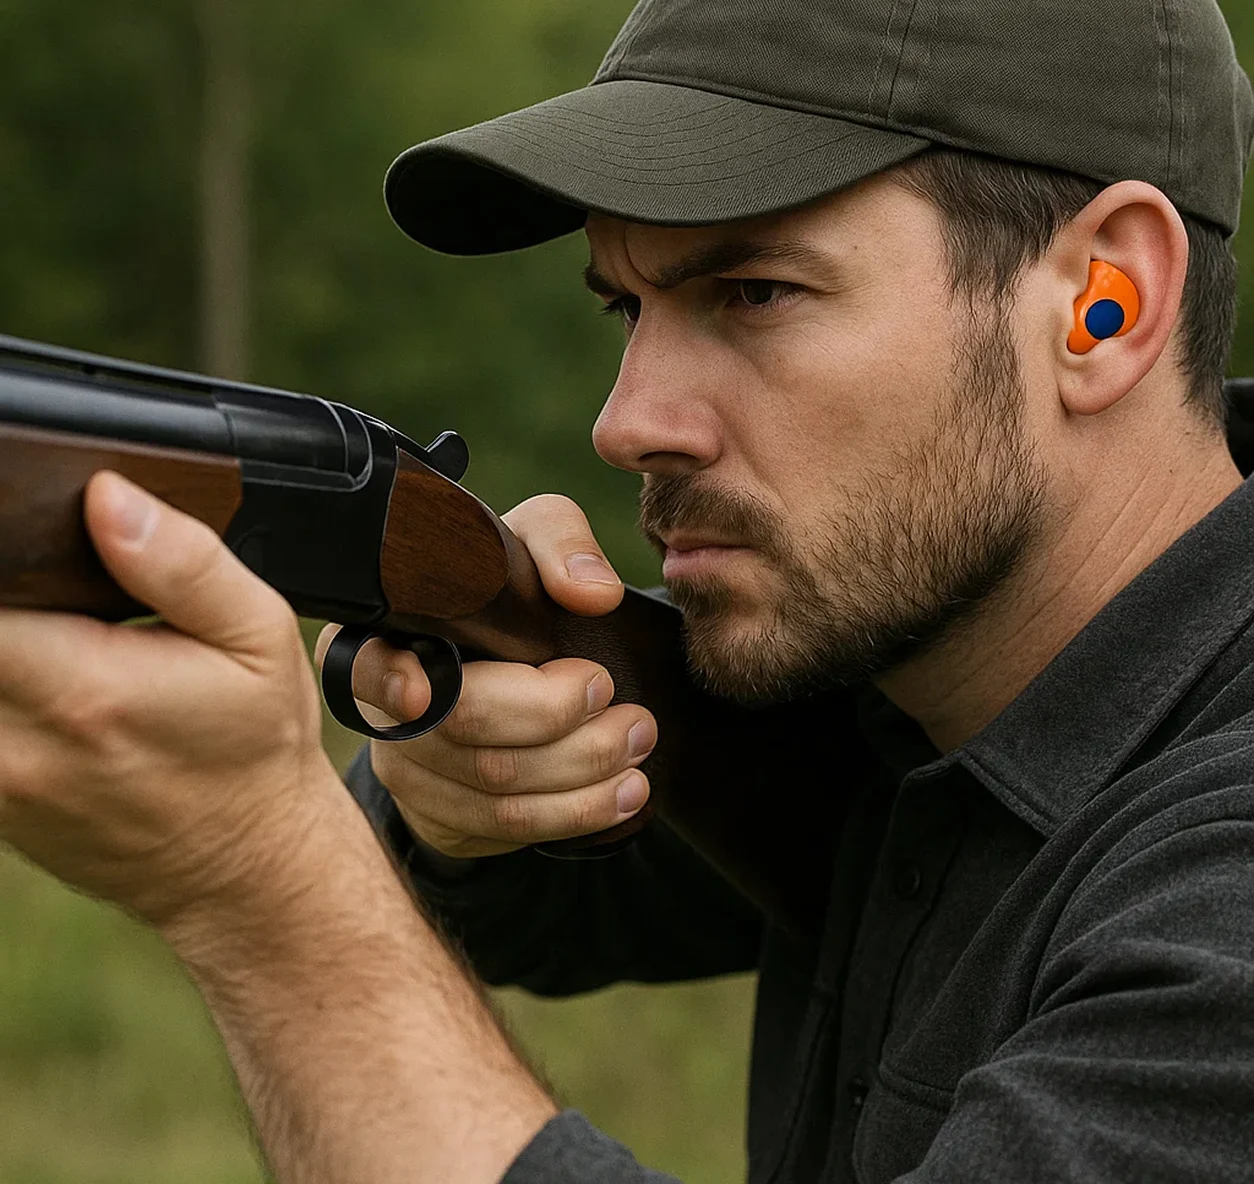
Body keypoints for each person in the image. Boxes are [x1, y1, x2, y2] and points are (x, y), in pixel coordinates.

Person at [1, 0, 1252, 1180]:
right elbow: (554, 915)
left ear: (1106, 301)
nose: (627, 422)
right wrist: (456, 793)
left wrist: (258, 881)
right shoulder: (902, 680)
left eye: (753, 293)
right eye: (625, 306)